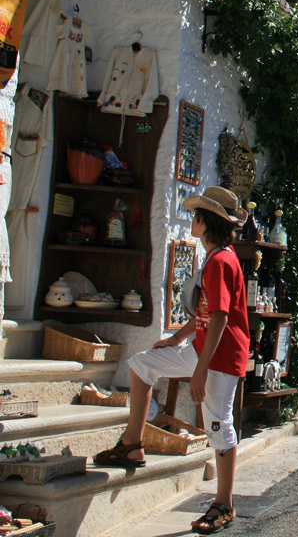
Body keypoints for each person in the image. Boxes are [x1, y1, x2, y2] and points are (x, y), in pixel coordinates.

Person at [93, 186, 250, 535]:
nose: (192, 220)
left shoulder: (220, 261)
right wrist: (178, 338)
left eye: (195, 216)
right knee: (142, 365)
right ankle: (132, 444)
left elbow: (221, 317)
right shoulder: (217, 257)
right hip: (203, 350)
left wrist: (199, 370)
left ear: (204, 222)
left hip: (219, 356)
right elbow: (207, 312)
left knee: (218, 425)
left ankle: (224, 504)